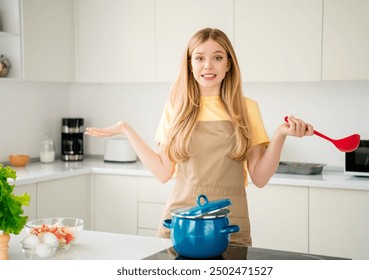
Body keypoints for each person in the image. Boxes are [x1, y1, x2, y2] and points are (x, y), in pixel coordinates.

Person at [85, 27, 313, 246]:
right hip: (183, 222)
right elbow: (163, 172)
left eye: (217, 57)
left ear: (228, 64)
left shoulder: (247, 108)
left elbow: (260, 178)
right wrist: (126, 129)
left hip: (229, 223)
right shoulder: (176, 108)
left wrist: (280, 134)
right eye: (199, 58)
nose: (208, 66)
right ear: (190, 64)